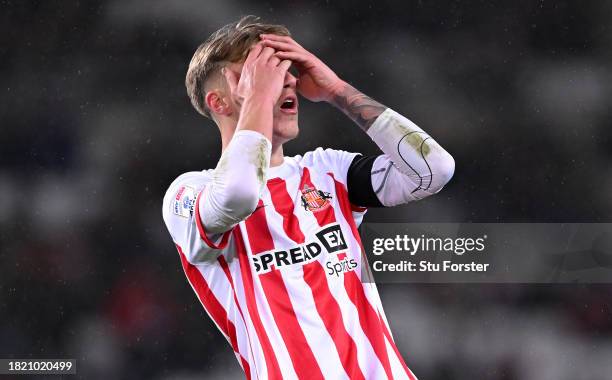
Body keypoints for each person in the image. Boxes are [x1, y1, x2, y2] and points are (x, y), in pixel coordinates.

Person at [162, 15, 454, 380]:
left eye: (286, 69)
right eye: (259, 73)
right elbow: (239, 193)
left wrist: (337, 91)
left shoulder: (328, 171)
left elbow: (434, 169)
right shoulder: (189, 192)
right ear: (219, 102)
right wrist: (258, 99)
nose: (285, 80)